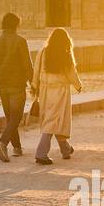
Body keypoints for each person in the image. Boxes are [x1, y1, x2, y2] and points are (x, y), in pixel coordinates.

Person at [30, 27, 83, 165]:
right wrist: (78, 85)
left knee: (53, 119)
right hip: (60, 91)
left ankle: (65, 150)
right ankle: (41, 154)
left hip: (45, 90)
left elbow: (36, 70)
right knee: (54, 120)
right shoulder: (65, 53)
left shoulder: (42, 52)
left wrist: (35, 86)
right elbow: (71, 72)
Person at [0, 12, 32, 162]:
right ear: (17, 25)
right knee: (16, 116)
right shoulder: (20, 41)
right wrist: (33, 84)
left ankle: (17, 148)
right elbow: (27, 66)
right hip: (17, 84)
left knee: (10, 117)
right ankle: (3, 143)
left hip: (2, 85)